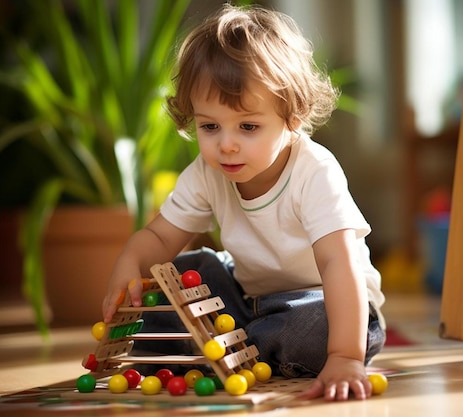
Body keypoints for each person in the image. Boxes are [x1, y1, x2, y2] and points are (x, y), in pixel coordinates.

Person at [102, 3, 385, 401]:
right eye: (210, 126)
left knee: (308, 327)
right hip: (247, 299)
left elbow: (339, 265)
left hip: (324, 302)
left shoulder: (315, 171)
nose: (226, 144)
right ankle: (239, 343)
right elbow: (160, 236)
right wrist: (129, 262)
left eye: (248, 126)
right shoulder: (207, 171)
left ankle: (232, 345)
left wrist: (345, 356)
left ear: (294, 118)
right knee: (185, 270)